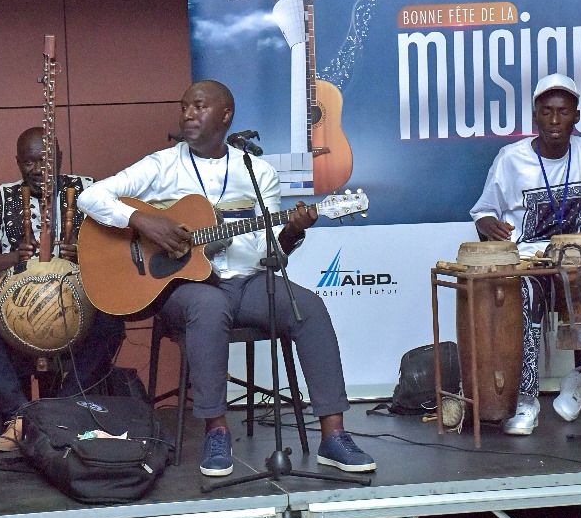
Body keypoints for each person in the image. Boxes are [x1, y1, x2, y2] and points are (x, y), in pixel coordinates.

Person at [77, 79, 375, 477]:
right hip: (184, 289)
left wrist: (293, 231)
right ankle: (217, 430)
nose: (187, 114)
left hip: (248, 282)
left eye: (198, 106)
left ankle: (333, 435)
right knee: (209, 305)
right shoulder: (161, 165)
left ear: (225, 114)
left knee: (309, 306)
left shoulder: (257, 171)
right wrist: (144, 221)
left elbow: (271, 253)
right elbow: (90, 197)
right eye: (184, 107)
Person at [470, 73, 581, 435]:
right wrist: (486, 224)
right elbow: (483, 210)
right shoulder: (511, 159)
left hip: (579, 264)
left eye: (562, 112)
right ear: (535, 116)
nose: (554, 121)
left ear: (576, 116)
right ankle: (526, 402)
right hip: (532, 264)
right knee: (524, 298)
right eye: (546, 112)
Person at [0, 127, 126, 451]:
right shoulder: (1, 197)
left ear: (61, 159)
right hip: (17, 305)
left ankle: (53, 414)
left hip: (79, 302)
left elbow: (124, 244)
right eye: (29, 163)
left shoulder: (90, 191)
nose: (38, 170)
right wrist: (12, 257)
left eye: (46, 161)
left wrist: (87, 254)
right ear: (18, 163)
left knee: (112, 322)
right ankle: (18, 415)